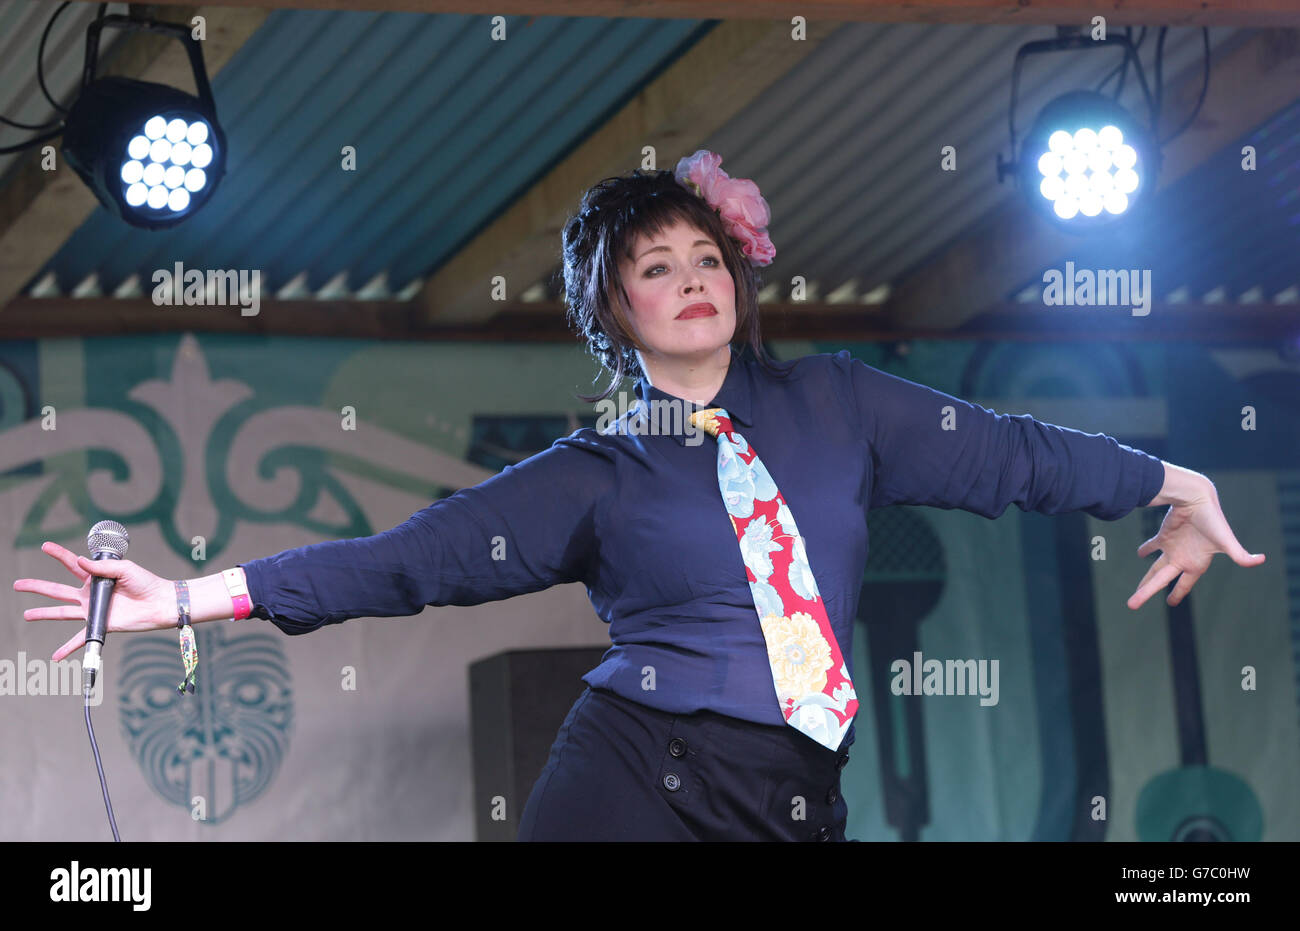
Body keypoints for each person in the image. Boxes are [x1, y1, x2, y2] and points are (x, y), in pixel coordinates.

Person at [13, 150, 1266, 842]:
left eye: (706, 255)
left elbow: (1012, 455)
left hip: (793, 798)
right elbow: (403, 562)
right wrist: (182, 600)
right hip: (631, 778)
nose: (691, 278)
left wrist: (1175, 477)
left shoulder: (842, 404)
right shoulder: (594, 476)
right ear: (614, 312)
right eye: (655, 267)